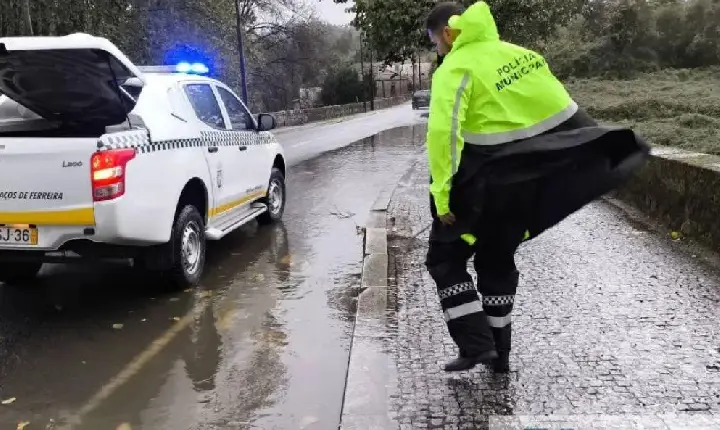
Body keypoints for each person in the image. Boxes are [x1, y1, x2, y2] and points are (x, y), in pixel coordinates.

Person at [423, 1, 650, 373]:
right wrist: (597, 154)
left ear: (448, 33)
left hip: (488, 188)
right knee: (495, 260)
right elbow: (566, 113)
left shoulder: (455, 68)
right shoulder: (523, 56)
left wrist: (442, 196)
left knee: (444, 258)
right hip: (528, 188)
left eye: (434, 40)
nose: (436, 48)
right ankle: (501, 355)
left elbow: (443, 137)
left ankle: (476, 344)